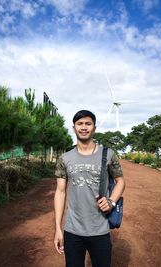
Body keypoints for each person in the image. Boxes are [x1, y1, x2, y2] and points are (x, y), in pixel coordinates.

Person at [54, 110, 125, 267]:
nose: (84, 127)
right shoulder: (64, 158)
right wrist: (58, 229)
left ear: (94, 128)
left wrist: (111, 202)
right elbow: (60, 192)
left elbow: (120, 181)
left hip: (100, 230)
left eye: (88, 123)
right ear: (74, 128)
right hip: (72, 231)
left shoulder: (108, 154)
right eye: (80, 124)